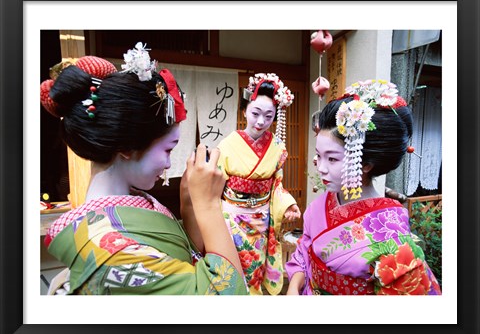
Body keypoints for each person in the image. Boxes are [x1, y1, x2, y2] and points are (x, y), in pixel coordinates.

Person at [42, 43, 247, 295]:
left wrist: (190, 206)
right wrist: (209, 206)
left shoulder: (133, 200)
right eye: (168, 150)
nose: (169, 163)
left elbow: (180, 259)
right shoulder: (111, 251)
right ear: (128, 147)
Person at [286, 79, 442, 295]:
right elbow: (305, 249)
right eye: (319, 156)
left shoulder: (393, 237)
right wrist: (294, 284)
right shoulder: (322, 204)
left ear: (366, 164)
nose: (320, 168)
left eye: (332, 159)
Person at [184, 73, 302, 295]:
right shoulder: (228, 144)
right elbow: (214, 186)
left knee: (256, 265)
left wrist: (288, 204)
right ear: (245, 109)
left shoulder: (277, 147)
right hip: (232, 216)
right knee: (233, 262)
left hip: (261, 218)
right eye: (255, 113)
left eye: (268, 116)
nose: (260, 121)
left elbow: (277, 184)